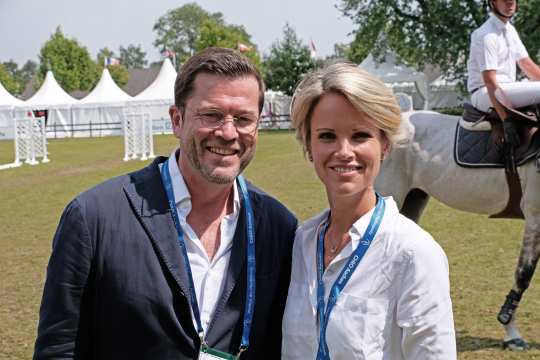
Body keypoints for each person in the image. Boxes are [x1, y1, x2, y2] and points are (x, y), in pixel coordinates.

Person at [33, 47, 297, 360]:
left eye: (243, 119)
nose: (228, 132)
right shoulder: (94, 218)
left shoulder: (279, 227)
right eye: (211, 115)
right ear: (177, 120)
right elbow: (59, 351)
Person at [282, 63, 456, 359]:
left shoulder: (413, 253)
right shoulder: (300, 243)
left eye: (360, 135)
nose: (344, 151)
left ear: (385, 145)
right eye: (327, 136)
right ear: (309, 146)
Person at [467, 0, 540, 147]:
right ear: (493, 2)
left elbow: (527, 65)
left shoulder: (510, 30)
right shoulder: (486, 35)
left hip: (507, 88)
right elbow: (489, 81)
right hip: (485, 93)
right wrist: (506, 120)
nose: (510, 1)